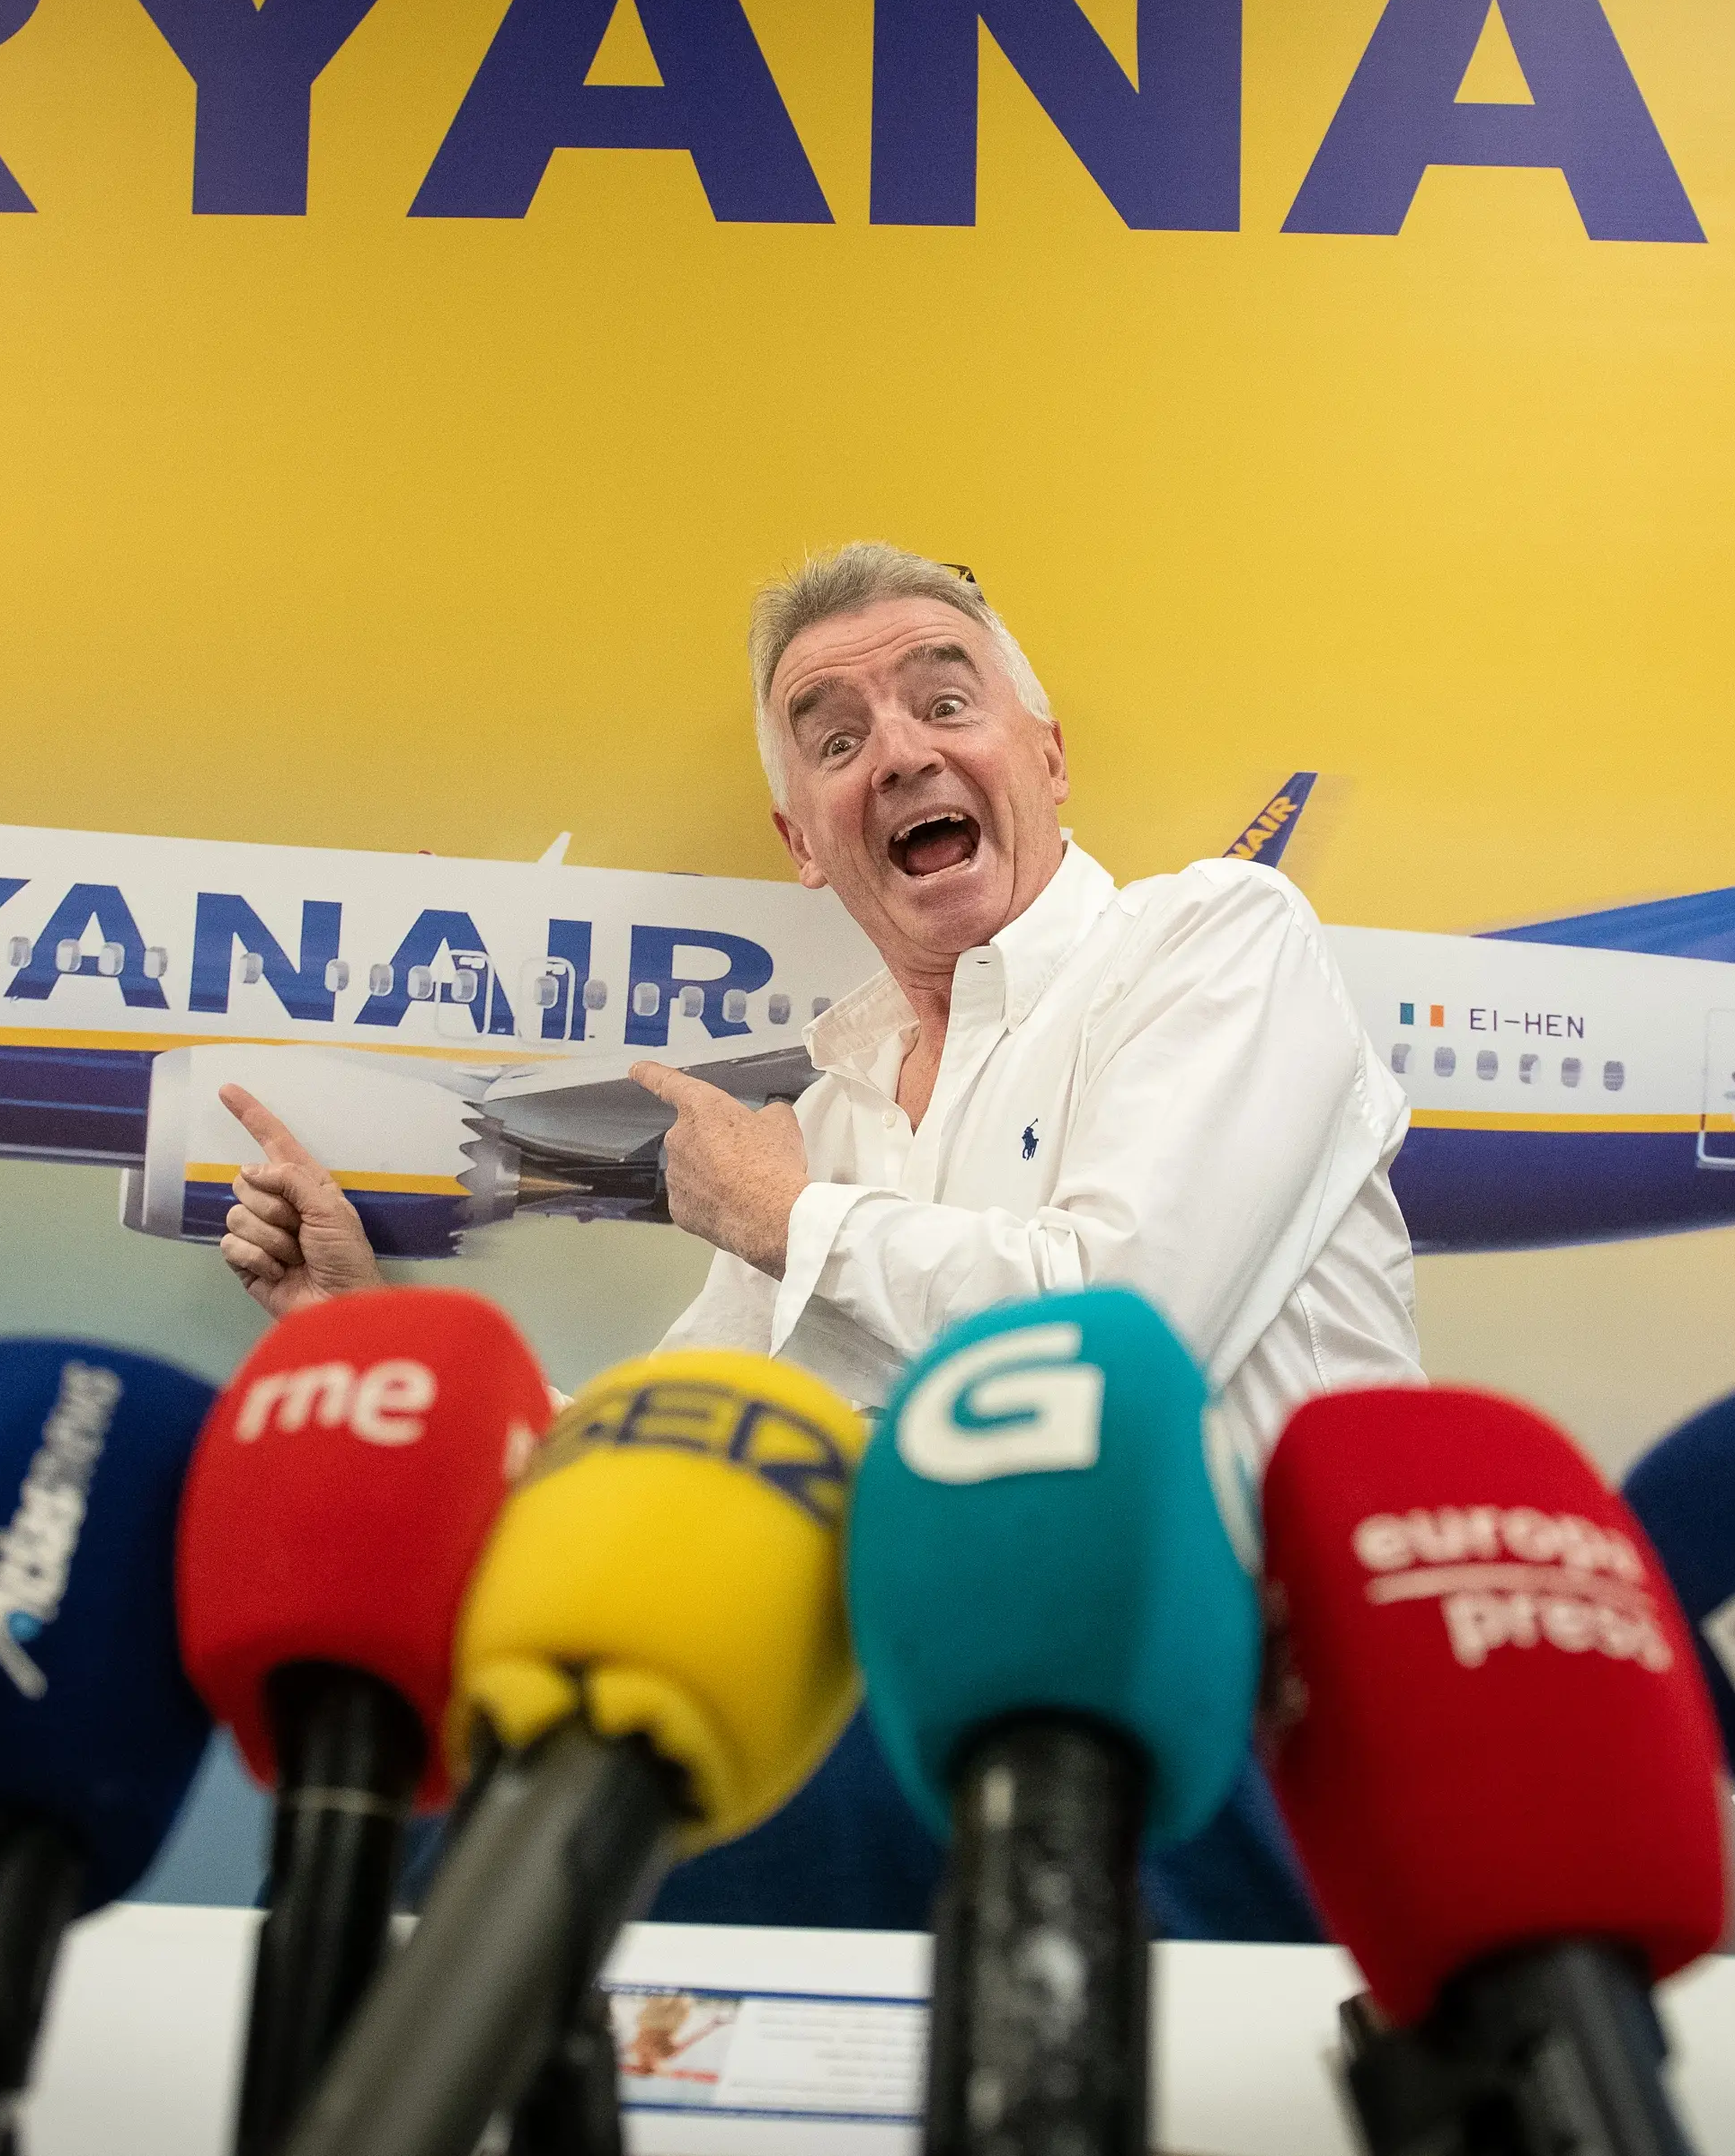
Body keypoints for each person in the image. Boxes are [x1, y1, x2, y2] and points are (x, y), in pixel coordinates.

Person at [213, 542, 1423, 1933]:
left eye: (945, 703)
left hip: (1214, 1763)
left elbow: (1112, 1339)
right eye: (837, 738)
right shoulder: (825, 1120)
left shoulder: (1216, 939)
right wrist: (358, 1327)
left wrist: (792, 1220)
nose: (900, 754)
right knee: (456, 1858)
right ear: (801, 839)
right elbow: (672, 1459)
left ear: (1048, 754)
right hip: (901, 1764)